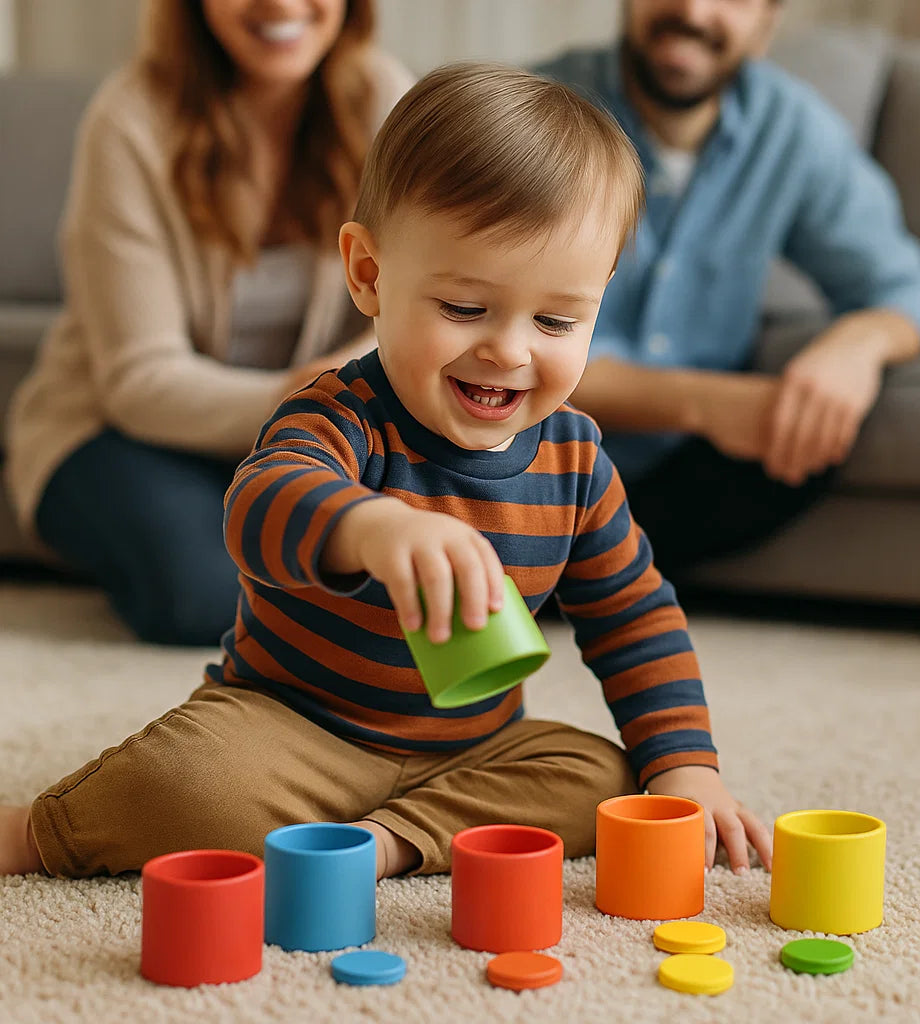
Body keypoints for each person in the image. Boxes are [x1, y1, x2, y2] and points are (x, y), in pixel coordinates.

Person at [0, 62, 772, 881]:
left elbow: (634, 618)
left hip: (473, 748)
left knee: (609, 782)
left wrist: (689, 768)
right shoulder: (340, 414)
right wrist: (368, 525)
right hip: (294, 730)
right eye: (464, 309)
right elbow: (260, 507)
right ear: (369, 274)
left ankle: (391, 839)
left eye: (555, 319)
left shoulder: (576, 459)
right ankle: (34, 834)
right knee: (185, 786)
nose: (509, 350)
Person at [3, 0, 413, 646]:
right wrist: (306, 398)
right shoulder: (130, 119)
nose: (279, 5)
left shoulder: (386, 100)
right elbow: (139, 382)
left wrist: (334, 400)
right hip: (118, 431)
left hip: (316, 429)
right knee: (203, 590)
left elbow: (414, 302)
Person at [536, 0, 920, 576]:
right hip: (529, 448)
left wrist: (856, 346)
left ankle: (583, 569)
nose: (693, 10)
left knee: (808, 440)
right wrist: (708, 405)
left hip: (681, 478)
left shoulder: (793, 130)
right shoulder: (531, 114)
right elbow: (512, 347)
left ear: (766, 24)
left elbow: (913, 291)